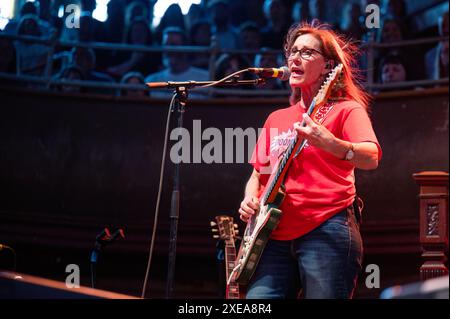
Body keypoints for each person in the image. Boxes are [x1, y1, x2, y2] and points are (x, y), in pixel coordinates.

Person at [238, 22, 382, 299]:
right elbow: (258, 174)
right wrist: (249, 199)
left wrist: (330, 142)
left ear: (328, 66)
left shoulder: (346, 110)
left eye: (306, 52)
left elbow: (371, 156)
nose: (294, 58)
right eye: (292, 52)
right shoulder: (276, 118)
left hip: (326, 228)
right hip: (271, 237)